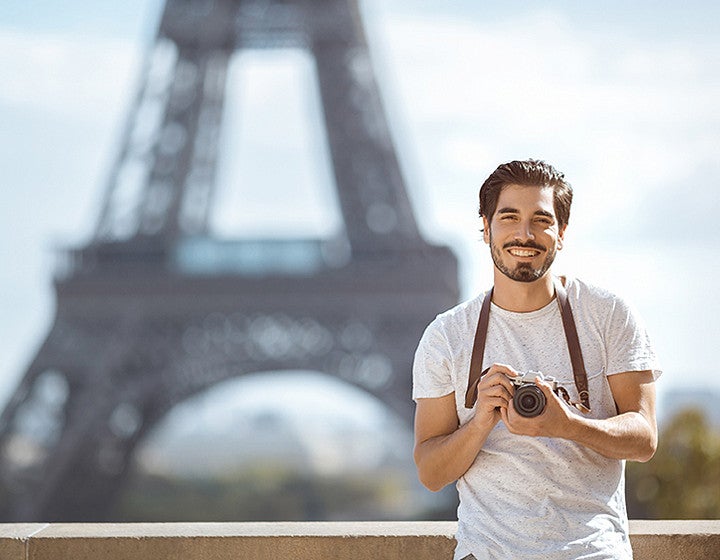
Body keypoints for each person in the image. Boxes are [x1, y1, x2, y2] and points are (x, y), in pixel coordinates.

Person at [412, 159, 660, 560]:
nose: (524, 234)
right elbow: (431, 472)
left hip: (592, 553)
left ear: (561, 233)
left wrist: (568, 424)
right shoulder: (447, 336)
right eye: (509, 217)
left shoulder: (608, 314)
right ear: (486, 227)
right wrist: (480, 422)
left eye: (541, 220)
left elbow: (644, 438)